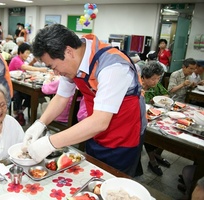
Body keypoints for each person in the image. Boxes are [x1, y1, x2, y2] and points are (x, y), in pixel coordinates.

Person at [22, 24, 146, 176]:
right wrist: (40, 123)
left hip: (123, 137)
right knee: (93, 177)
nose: (55, 72)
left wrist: (50, 143)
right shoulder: (75, 61)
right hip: (93, 132)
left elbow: (100, 121)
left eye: (53, 66)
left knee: (114, 183)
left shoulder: (113, 66)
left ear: (68, 52)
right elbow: (61, 97)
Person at [141, 61, 170, 176]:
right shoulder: (136, 85)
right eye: (153, 79)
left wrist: (157, 99)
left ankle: (157, 154)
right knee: (150, 136)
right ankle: (153, 162)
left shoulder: (156, 85)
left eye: (158, 78)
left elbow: (166, 96)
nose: (156, 81)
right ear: (143, 77)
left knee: (165, 132)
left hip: (155, 115)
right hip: (142, 118)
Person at [9, 43, 47, 125]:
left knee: (30, 95)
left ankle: (20, 111)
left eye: (29, 53)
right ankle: (16, 113)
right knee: (17, 94)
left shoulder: (22, 60)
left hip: (20, 83)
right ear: (20, 52)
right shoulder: (16, 59)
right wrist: (40, 70)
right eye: (26, 53)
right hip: (12, 86)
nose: (28, 55)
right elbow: (25, 68)